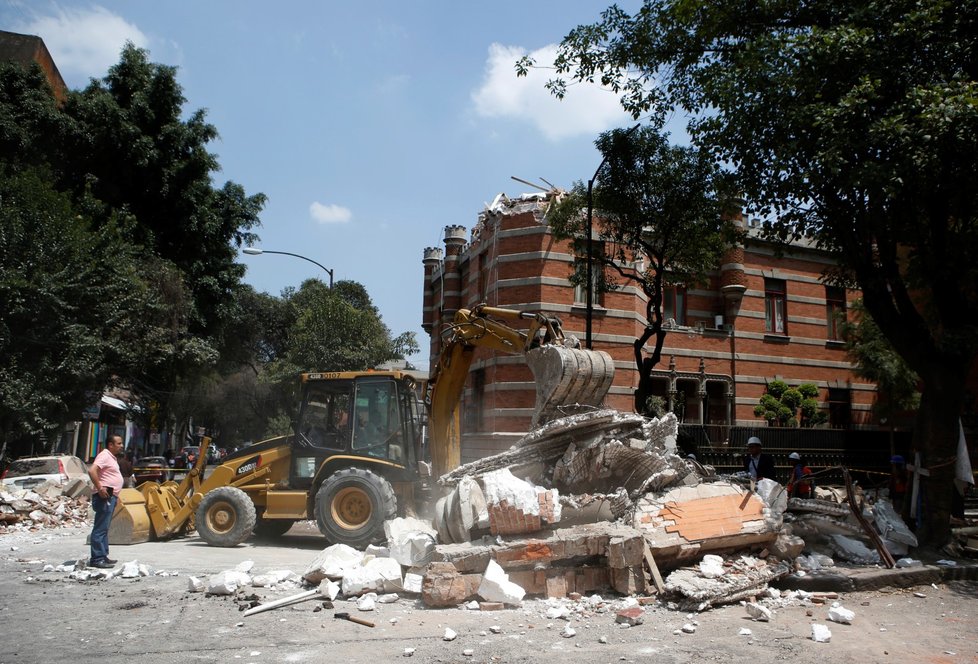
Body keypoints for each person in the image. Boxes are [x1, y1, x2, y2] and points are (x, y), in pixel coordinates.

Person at [88, 434, 125, 569]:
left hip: (110, 496)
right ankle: (97, 559)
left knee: (104, 528)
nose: (121, 446)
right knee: (100, 528)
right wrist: (100, 488)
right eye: (119, 443)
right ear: (110, 445)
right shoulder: (104, 455)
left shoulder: (111, 457)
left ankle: (103, 555)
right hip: (103, 497)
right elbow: (92, 471)